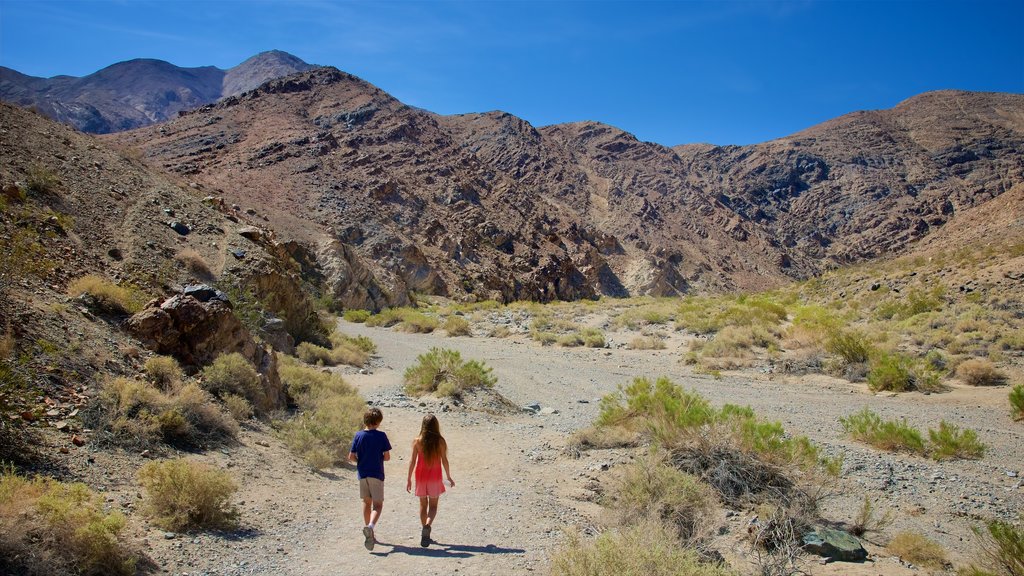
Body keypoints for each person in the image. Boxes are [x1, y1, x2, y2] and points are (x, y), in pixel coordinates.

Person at [406, 413, 455, 547]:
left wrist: (409, 478)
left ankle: (424, 530)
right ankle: (427, 526)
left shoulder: (417, 441)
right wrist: (449, 476)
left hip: (420, 476)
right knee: (433, 506)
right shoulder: (440, 441)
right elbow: (444, 459)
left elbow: (412, 461)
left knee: (423, 505)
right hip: (435, 476)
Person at [348, 407, 392, 551]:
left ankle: (369, 533)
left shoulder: (358, 435)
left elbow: (351, 457)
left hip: (362, 474)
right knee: (378, 505)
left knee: (366, 502)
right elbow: (387, 456)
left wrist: (361, 461)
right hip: (377, 474)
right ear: (378, 422)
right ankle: (370, 527)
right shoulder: (381, 436)